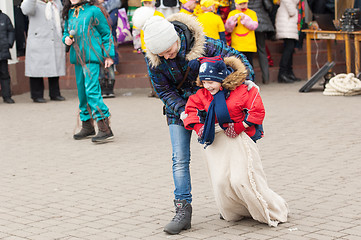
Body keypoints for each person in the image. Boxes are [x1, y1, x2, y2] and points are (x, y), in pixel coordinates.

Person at [135, 12, 254, 234]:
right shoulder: (154, 59)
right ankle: (182, 211)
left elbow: (240, 61)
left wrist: (240, 86)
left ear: (176, 39)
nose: (168, 57)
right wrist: (183, 111)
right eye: (162, 54)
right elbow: (163, 90)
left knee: (221, 156)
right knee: (179, 159)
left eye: (170, 50)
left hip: (211, 108)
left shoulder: (205, 45)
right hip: (178, 111)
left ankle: (230, 205)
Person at [183, 55, 289, 226]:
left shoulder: (241, 90)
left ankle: (270, 207)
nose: (207, 85)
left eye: (211, 81)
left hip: (238, 139)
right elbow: (190, 111)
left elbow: (257, 110)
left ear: (221, 78)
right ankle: (237, 211)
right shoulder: (202, 94)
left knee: (241, 179)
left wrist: (240, 125)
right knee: (221, 182)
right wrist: (199, 128)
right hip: (215, 141)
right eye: (204, 82)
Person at [62, 0, 115, 143]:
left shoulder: (94, 10)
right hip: (77, 58)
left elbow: (106, 33)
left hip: (92, 56)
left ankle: (104, 127)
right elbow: (66, 32)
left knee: (91, 90)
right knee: (82, 92)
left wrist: (108, 55)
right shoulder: (70, 12)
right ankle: (87, 125)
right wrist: (65, 38)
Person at [21, 0, 66, 103]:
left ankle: (55, 93)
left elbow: (61, 18)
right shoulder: (34, 2)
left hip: (54, 39)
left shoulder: (56, 2)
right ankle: (36, 95)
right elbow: (26, 9)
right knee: (36, 69)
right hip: (38, 41)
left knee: (55, 68)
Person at [132, 4, 164, 97]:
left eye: (149, 2)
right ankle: (153, 90)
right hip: (145, 47)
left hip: (157, 46)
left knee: (158, 68)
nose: (147, 5)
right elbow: (136, 31)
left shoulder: (158, 14)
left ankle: (160, 90)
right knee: (150, 69)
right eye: (145, 2)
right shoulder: (140, 14)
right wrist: (137, 45)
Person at [98, 0, 122, 98]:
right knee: (100, 65)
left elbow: (111, 22)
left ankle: (110, 89)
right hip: (98, 40)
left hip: (110, 40)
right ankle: (103, 88)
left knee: (111, 65)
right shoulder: (93, 7)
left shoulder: (114, 5)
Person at [225, 0, 258, 68]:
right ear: (236, 4)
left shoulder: (252, 13)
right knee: (238, 66)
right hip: (237, 45)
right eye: (240, 4)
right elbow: (228, 29)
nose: (243, 6)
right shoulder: (232, 13)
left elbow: (254, 26)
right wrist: (233, 20)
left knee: (249, 65)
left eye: (244, 3)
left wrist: (245, 19)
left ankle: (250, 78)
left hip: (249, 45)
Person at [248, 0, 274, 84]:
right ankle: (266, 78)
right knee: (262, 50)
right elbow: (268, 6)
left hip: (245, 24)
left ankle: (250, 79)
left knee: (248, 52)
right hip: (260, 22)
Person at [275, 0, 300, 83]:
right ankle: (282, 73)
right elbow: (292, 11)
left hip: (288, 24)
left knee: (290, 48)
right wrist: (294, 11)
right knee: (288, 49)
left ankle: (289, 72)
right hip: (287, 24)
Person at [0, 10, 16, 104]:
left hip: (3, 52)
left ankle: (7, 96)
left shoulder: (4, 17)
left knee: (5, 75)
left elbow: (11, 31)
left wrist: (9, 43)